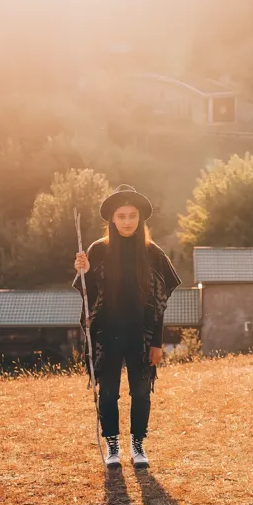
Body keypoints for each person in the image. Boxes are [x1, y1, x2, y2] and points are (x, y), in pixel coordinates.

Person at [74, 184, 181, 468]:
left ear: (140, 218)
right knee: (108, 391)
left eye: (132, 215)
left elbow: (159, 303)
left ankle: (138, 444)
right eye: (121, 216)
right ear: (112, 219)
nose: (127, 221)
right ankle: (112, 445)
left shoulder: (153, 254)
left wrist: (157, 342)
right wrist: (84, 272)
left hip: (141, 335)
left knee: (141, 391)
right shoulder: (97, 251)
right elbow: (90, 296)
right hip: (106, 335)